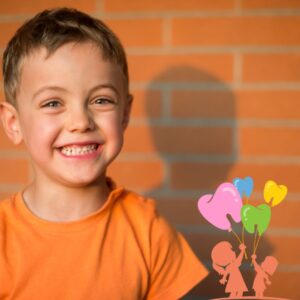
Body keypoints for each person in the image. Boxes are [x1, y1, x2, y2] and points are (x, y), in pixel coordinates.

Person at [0, 7, 208, 299]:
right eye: (52, 103)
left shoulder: (149, 230)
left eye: (101, 100)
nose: (81, 122)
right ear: (14, 123)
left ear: (124, 115)